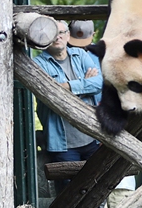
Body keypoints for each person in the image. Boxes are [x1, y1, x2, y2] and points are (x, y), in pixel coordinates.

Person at [34, 21, 104, 192]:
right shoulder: (38, 64)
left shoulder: (80, 54)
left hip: (91, 137)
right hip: (63, 144)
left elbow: (99, 82)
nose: (57, 37)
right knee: (68, 192)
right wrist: (84, 83)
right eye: (52, 33)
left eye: (61, 32)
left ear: (67, 35)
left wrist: (68, 86)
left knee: (95, 190)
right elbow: (51, 94)